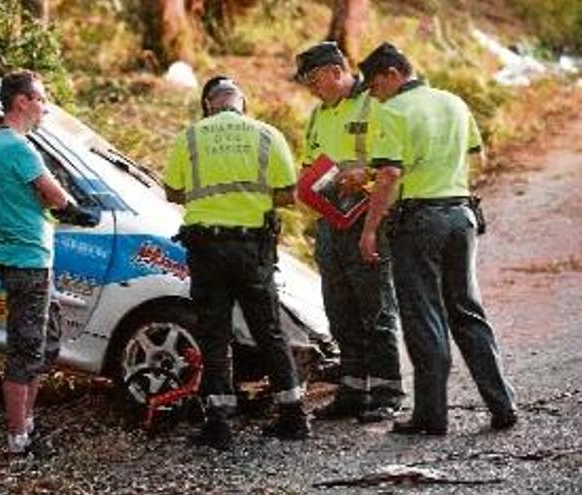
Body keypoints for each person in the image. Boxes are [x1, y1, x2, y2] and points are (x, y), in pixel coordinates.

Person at [358, 42, 519, 435]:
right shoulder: (454, 102)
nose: (374, 95)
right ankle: (503, 405)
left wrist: (370, 229)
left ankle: (431, 416)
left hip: (420, 221)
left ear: (392, 74)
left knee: (423, 315)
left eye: (375, 86)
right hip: (461, 215)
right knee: (467, 310)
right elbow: (473, 154)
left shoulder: (393, 111)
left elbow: (390, 174)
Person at [163, 75, 310, 451]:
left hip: (207, 249)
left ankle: (220, 425)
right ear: (241, 103)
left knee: (215, 334)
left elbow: (172, 191)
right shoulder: (267, 135)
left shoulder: (190, 137)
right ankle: (293, 417)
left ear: (209, 104)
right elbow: (289, 195)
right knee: (270, 331)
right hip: (252, 249)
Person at [292, 42, 404, 423]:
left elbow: (397, 166)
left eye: (312, 79)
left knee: (376, 307)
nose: (310, 88)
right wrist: (305, 186)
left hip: (370, 219)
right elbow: (310, 164)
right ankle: (354, 390)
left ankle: (388, 391)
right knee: (339, 309)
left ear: (335, 70)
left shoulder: (375, 103)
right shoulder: (317, 116)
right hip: (330, 223)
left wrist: (368, 177)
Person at [0, 70, 72, 455]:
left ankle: (27, 422)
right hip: (25, 258)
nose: (45, 108)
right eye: (41, 100)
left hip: (25, 256)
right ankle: (18, 437)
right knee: (27, 347)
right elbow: (55, 196)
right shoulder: (17, 147)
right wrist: (69, 205)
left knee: (46, 341)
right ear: (22, 102)